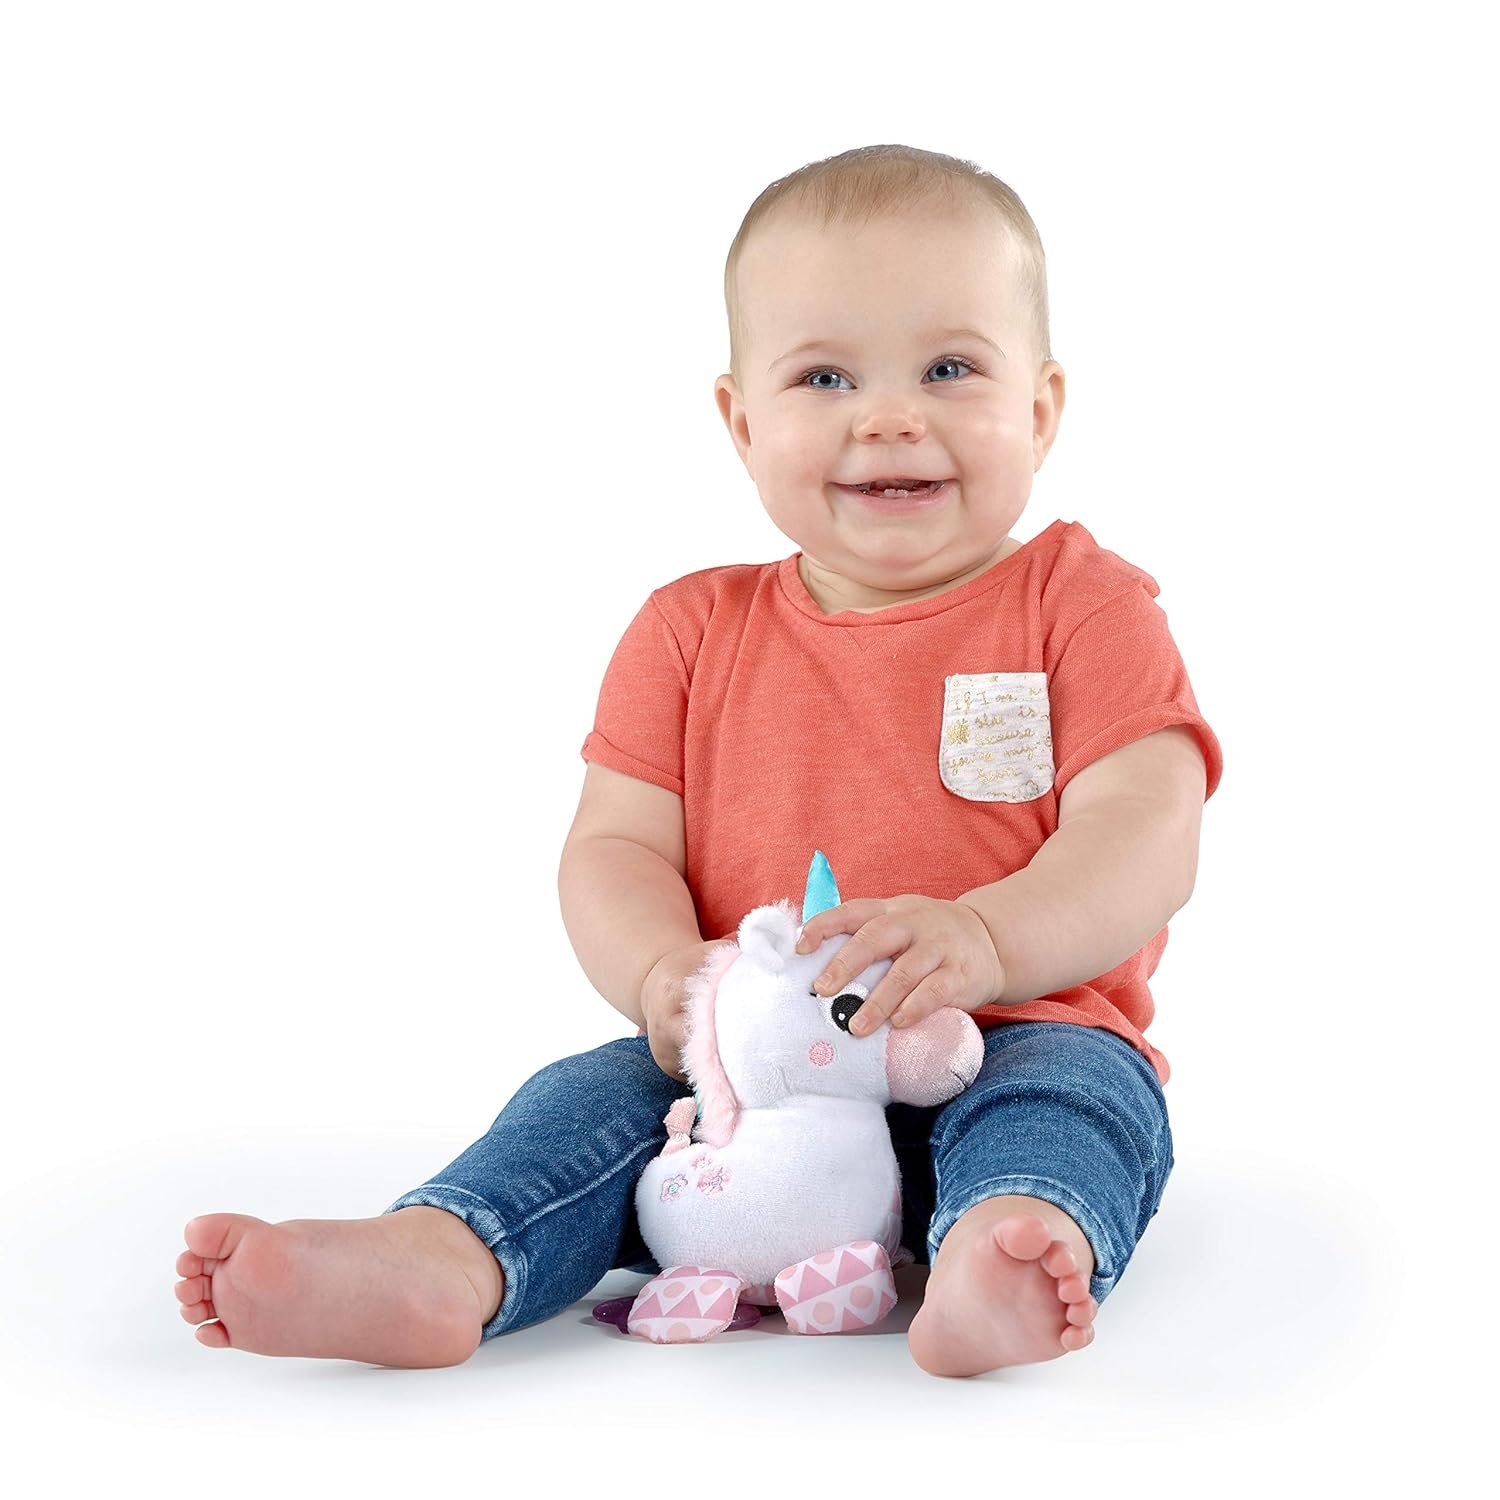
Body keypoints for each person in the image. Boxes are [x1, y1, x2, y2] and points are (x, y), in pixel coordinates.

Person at [174, 142, 1223, 1378]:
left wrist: (990, 938)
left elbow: (1146, 828)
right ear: (741, 422)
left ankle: (1000, 1247)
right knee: (591, 1103)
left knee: (1074, 1103)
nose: (890, 415)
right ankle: (447, 1254)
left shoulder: (1082, 607)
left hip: (1011, 1029)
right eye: (824, 376)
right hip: (753, 1084)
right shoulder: (689, 632)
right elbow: (615, 846)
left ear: (1041, 409)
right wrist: (661, 976)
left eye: (950, 368)